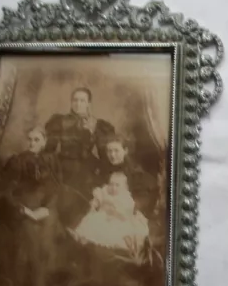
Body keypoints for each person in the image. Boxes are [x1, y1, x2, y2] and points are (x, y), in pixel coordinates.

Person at [0, 126, 62, 286]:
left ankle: (47, 285)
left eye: (36, 140)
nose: (32, 143)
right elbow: (6, 191)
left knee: (50, 229)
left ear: (44, 142)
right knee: (29, 232)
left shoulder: (50, 161)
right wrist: (23, 210)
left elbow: (56, 189)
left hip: (44, 207)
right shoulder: (16, 161)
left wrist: (47, 208)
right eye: (30, 139)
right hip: (20, 208)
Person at [43, 87, 116, 227]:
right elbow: (49, 149)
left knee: (85, 205)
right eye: (75, 100)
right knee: (61, 201)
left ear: (88, 103)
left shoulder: (97, 124)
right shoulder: (60, 121)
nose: (78, 103)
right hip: (63, 164)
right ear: (71, 102)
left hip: (86, 167)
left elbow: (103, 154)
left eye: (82, 100)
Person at [72, 171, 151, 262]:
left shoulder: (125, 198)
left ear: (125, 187)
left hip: (117, 220)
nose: (113, 188)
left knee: (114, 233)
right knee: (92, 222)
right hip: (101, 217)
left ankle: (109, 249)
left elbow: (126, 215)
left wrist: (116, 212)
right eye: (111, 184)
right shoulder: (104, 192)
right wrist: (95, 204)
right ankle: (84, 238)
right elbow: (97, 200)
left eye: (117, 185)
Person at [98, 135, 159, 219]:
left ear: (125, 151)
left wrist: (125, 208)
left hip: (126, 212)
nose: (112, 155)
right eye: (109, 151)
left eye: (116, 151)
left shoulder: (134, 171)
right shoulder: (104, 168)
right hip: (107, 208)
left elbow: (142, 198)